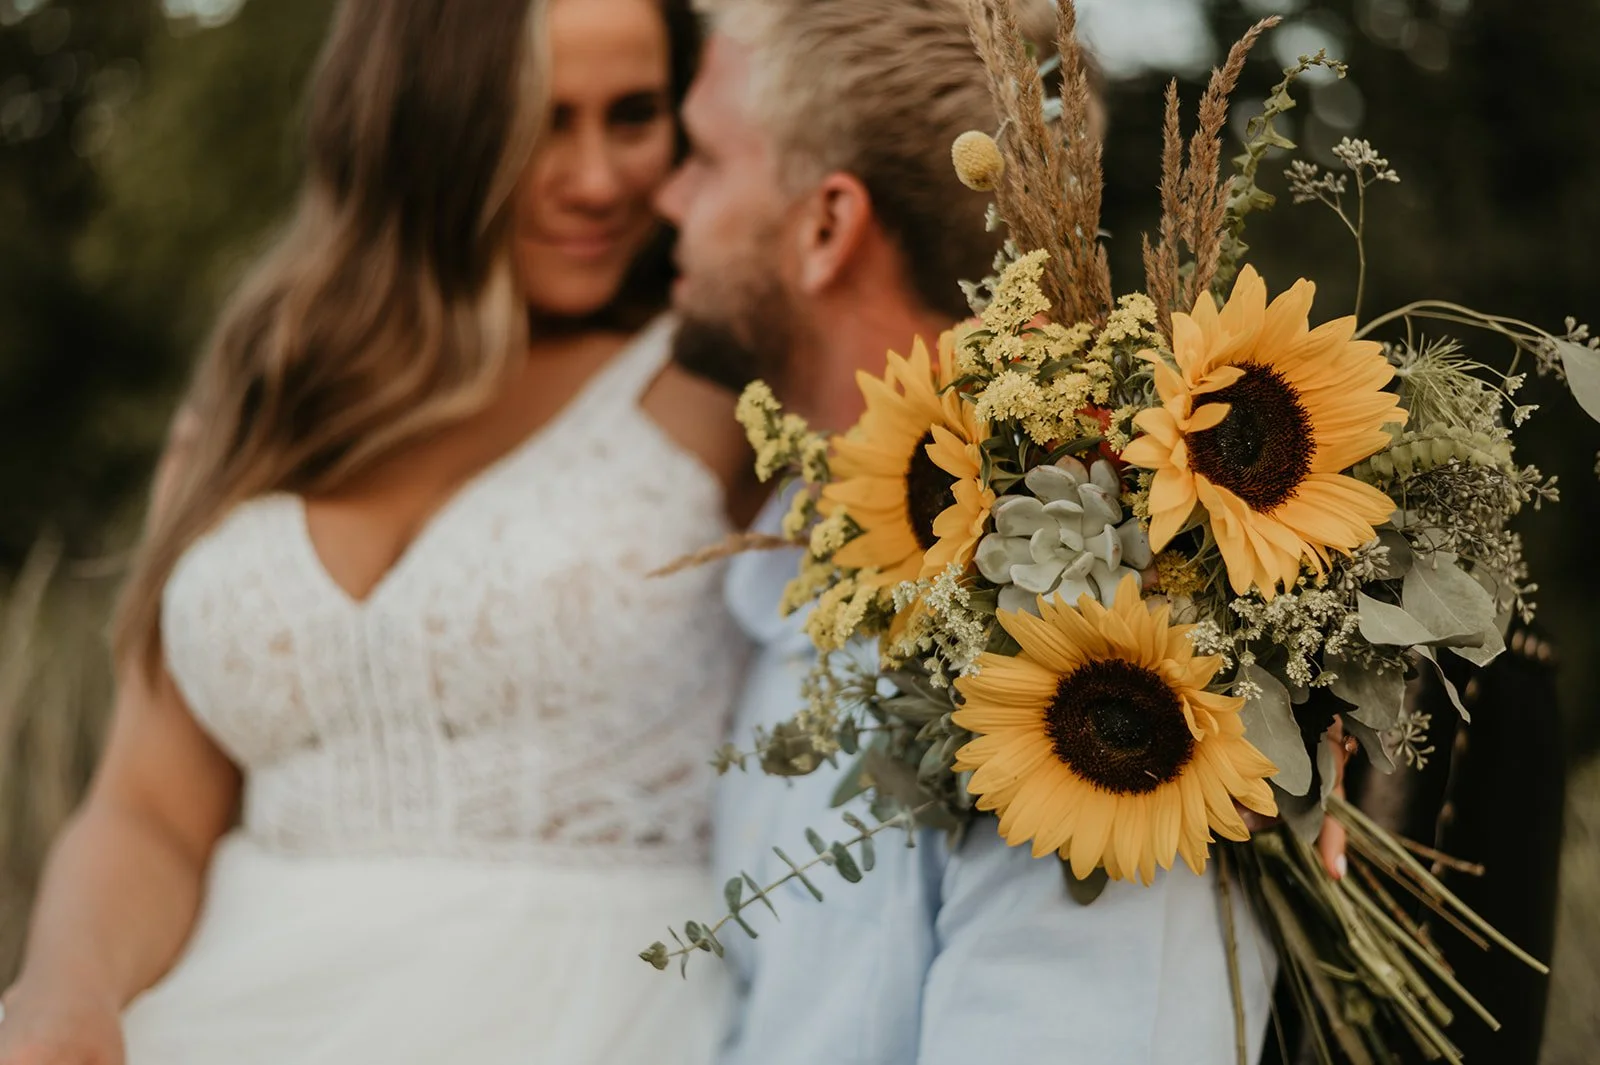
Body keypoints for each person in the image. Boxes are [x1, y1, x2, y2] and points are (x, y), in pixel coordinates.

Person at [0, 0, 751, 1062]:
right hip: (228, 1010)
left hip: (600, 1016)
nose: (595, 180)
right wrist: (59, 999)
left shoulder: (721, 384)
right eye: (539, 121)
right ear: (421, 127)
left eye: (632, 116)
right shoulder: (258, 403)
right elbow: (148, 814)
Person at [658, 0, 1284, 1061]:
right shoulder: (782, 589)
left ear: (826, 227)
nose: (666, 198)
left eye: (705, 160)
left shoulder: (1096, 659)